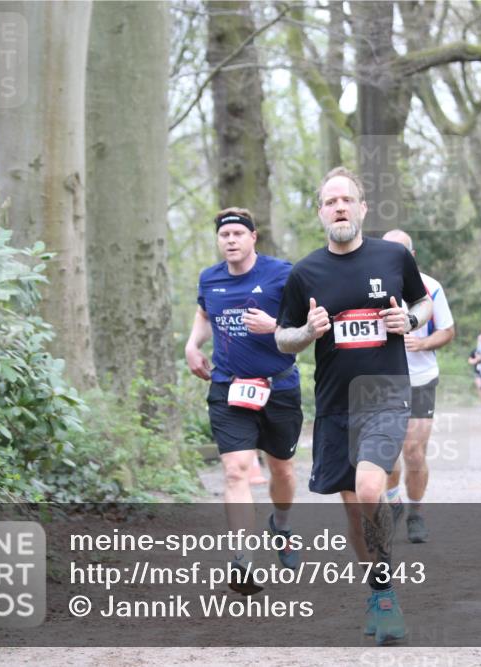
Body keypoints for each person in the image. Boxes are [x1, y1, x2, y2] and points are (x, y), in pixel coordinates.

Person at [275, 167, 431, 645]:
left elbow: (423, 305)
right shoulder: (304, 273)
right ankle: (378, 591)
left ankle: (386, 598)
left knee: (369, 489)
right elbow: (284, 339)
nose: (339, 207)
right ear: (321, 213)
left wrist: (409, 318)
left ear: (363, 209)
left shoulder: (393, 256)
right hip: (334, 402)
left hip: (383, 391)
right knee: (353, 513)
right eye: (330, 201)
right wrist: (308, 332)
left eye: (347, 200)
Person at [185, 207, 303, 595]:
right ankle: (242, 558)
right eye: (225, 235)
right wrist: (192, 344)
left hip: (279, 386)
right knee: (236, 470)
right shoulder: (210, 278)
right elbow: (204, 314)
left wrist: (276, 327)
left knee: (282, 471)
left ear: (254, 237)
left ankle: (281, 526)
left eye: (238, 233)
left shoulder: (281, 274)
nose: (231, 240)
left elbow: (308, 323)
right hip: (228, 386)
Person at [381, 229, 455, 544]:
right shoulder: (368, 286)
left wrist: (423, 343)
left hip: (421, 380)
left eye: (401, 252)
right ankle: (395, 501)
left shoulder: (431, 287)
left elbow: (449, 331)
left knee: (413, 452)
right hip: (380, 382)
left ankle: (415, 514)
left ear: (411, 255)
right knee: (386, 453)